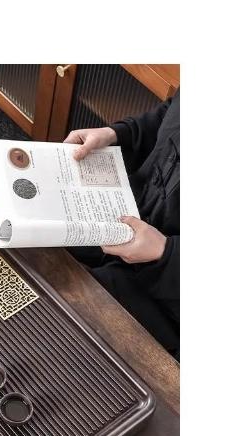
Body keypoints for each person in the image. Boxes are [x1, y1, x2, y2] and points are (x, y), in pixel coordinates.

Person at [64, 92, 180, 359]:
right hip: (129, 211)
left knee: (69, 318)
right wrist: (116, 134)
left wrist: (165, 251)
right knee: (22, 239)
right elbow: (169, 115)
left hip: (172, 297)